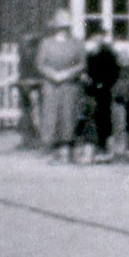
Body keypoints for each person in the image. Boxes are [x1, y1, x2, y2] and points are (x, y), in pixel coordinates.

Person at [36, 9, 85, 164]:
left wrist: (67, 74)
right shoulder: (46, 43)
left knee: (68, 115)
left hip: (69, 85)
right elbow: (40, 64)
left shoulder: (77, 43)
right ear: (55, 27)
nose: (63, 29)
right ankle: (51, 148)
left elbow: (82, 64)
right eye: (60, 26)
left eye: (66, 26)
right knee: (51, 116)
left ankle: (67, 148)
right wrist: (53, 75)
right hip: (51, 85)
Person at [83, 35, 123, 161]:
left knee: (104, 120)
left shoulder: (109, 56)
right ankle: (93, 151)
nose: (97, 42)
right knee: (92, 120)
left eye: (99, 39)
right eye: (95, 39)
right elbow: (86, 72)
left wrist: (102, 84)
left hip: (104, 92)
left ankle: (108, 151)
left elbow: (114, 74)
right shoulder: (89, 56)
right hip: (91, 92)